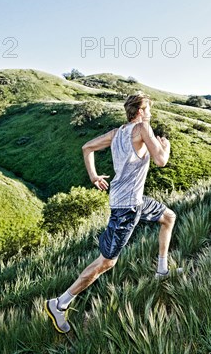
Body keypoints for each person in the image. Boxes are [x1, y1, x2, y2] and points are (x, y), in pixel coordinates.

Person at [45, 92, 182, 334]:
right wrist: (166, 147)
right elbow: (161, 161)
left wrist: (93, 176)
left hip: (136, 201)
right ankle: (60, 303)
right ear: (139, 112)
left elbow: (87, 147)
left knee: (168, 217)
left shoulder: (117, 132)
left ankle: (162, 270)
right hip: (126, 208)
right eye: (148, 109)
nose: (150, 113)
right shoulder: (142, 127)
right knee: (107, 262)